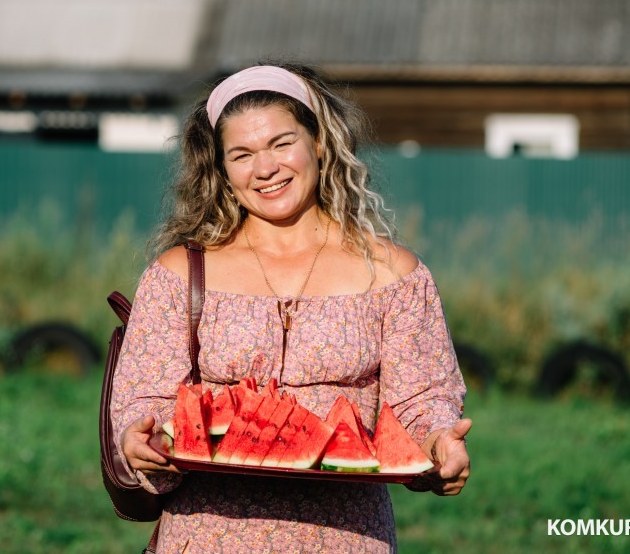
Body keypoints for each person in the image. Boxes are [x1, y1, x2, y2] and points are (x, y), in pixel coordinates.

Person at [111, 62, 470, 553]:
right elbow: (143, 406)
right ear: (221, 169)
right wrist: (141, 442)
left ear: (319, 144)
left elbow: (421, 404)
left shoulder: (392, 274)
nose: (265, 168)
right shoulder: (179, 275)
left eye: (282, 144)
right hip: (207, 537)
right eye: (241, 154)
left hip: (347, 538)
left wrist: (437, 445)